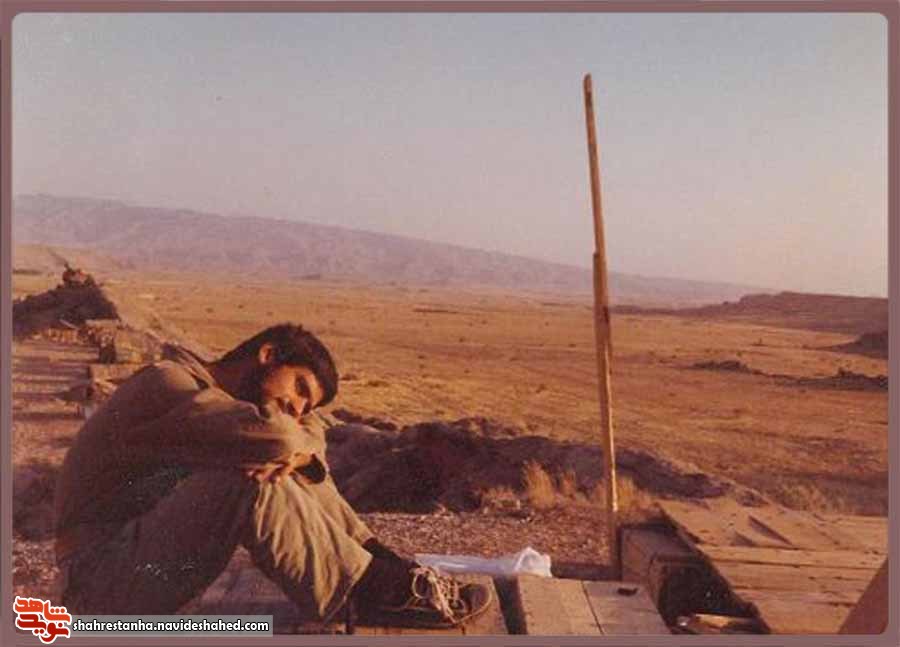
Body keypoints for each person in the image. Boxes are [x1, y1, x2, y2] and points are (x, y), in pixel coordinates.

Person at [54, 323, 491, 628]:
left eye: (307, 404)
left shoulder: (218, 403)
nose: (299, 408)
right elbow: (282, 438)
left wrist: (297, 454)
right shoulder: (167, 385)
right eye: (300, 387)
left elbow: (306, 437)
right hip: (97, 584)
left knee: (281, 464)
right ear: (267, 356)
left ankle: (382, 565)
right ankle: (372, 593)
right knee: (251, 480)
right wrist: (292, 449)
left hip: (131, 563)